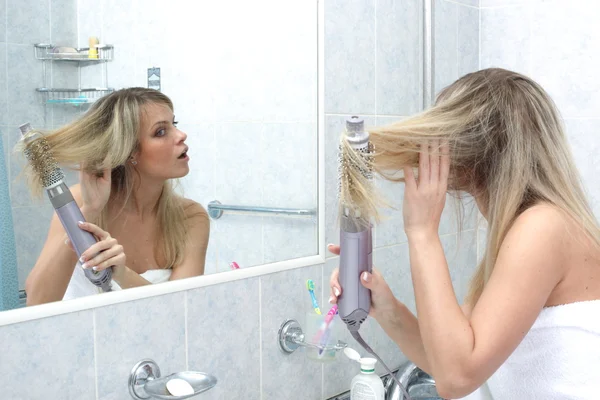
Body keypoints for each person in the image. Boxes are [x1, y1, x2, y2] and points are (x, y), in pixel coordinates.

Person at [329, 68, 600, 399]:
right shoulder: (524, 230)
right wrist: (386, 307)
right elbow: (445, 360)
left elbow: (456, 379)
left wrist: (421, 231)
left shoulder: (543, 227)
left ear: (470, 150)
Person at [25, 88, 209, 305]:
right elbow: (36, 302)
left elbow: (183, 309)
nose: (181, 135)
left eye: (174, 125)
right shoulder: (78, 203)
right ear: (129, 151)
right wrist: (89, 212)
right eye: (160, 132)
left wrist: (121, 274)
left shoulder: (189, 218)